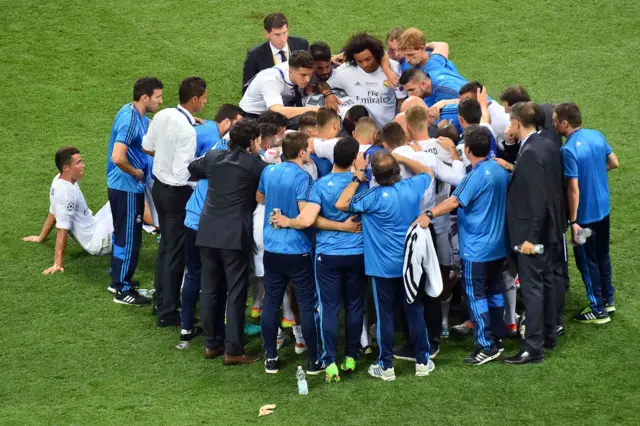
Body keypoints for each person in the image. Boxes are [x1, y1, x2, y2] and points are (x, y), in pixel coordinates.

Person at [258, 132, 355, 375]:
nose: (310, 154)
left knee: (270, 302)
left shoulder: (268, 171)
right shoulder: (302, 177)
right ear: (301, 153)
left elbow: (259, 197)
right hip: (297, 251)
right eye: (308, 150)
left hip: (271, 247)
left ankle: (271, 357)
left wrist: (277, 206)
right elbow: (304, 219)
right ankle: (314, 361)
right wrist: (288, 220)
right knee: (306, 304)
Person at [335, 150, 436, 381]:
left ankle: (387, 366)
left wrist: (358, 175)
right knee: (415, 312)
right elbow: (428, 172)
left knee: (385, 317)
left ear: (375, 175)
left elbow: (341, 203)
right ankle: (422, 361)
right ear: (397, 171)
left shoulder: (371, 197)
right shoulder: (411, 188)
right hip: (410, 266)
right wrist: (401, 158)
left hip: (382, 269)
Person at [415, 125, 510, 364]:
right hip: (498, 245)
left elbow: (454, 201)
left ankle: (486, 346)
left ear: (467, 150)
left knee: (476, 296)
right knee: (495, 291)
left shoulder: (475, 176)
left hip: (477, 248)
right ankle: (497, 335)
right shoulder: (500, 170)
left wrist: (429, 213)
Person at [186, 119, 266, 365]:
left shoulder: (213, 157)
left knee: (209, 289)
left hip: (208, 231)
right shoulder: (255, 164)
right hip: (234, 235)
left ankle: (212, 345)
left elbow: (192, 168)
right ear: (252, 142)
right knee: (236, 291)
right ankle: (233, 350)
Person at [503, 102, 565, 364]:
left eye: (510, 121)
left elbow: (537, 200)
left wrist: (529, 238)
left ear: (517, 123)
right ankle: (549, 334)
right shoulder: (547, 142)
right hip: (551, 229)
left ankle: (534, 347)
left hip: (533, 235)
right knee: (547, 281)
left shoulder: (530, 153)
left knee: (533, 287)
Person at [142, 77, 207, 326]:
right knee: (175, 251)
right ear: (194, 100)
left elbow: (147, 147)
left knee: (167, 247)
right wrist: (204, 171)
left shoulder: (164, 115)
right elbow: (182, 174)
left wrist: (166, 155)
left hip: (159, 188)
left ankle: (162, 300)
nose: (205, 101)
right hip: (176, 194)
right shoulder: (187, 131)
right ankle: (168, 311)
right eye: (203, 97)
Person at [554, 103, 619, 323]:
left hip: (584, 218)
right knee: (602, 254)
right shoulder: (597, 136)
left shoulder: (569, 150)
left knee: (586, 259)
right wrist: (596, 173)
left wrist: (573, 222)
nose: (553, 123)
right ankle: (608, 300)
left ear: (565, 123)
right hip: (603, 210)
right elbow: (614, 163)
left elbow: (573, 189)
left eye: (555, 120)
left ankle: (597, 308)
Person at [105, 77, 163, 304]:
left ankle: (118, 278)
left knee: (123, 235)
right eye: (157, 97)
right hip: (126, 187)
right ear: (145, 97)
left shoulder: (133, 113)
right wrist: (136, 172)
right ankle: (123, 289)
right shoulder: (130, 121)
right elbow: (117, 157)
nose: (160, 101)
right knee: (129, 238)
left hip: (123, 186)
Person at [24, 147, 113, 274]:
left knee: (123, 198)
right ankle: (153, 226)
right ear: (66, 168)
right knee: (135, 203)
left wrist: (41, 237)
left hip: (96, 225)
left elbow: (54, 212)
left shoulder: (60, 180)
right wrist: (57, 263)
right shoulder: (65, 193)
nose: (83, 165)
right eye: (78, 163)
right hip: (99, 242)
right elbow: (61, 229)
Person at [324, 33, 407, 128]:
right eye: (359, 61)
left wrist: (400, 126)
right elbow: (323, 84)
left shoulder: (393, 69)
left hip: (388, 130)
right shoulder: (345, 71)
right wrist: (328, 94)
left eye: (368, 59)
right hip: (362, 132)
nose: (365, 64)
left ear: (375, 54)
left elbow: (401, 100)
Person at [240, 50, 319, 120]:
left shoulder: (295, 66)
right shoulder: (271, 80)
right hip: (252, 116)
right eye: (303, 75)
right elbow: (277, 112)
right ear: (290, 72)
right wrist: (313, 109)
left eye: (310, 74)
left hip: (275, 110)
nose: (307, 79)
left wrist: (331, 58)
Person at [397, 28, 465, 107]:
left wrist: (426, 45)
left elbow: (443, 45)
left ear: (423, 48)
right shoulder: (410, 65)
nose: (407, 60)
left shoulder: (434, 64)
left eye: (411, 55)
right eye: (404, 55)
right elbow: (442, 45)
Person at [242, 12, 309, 92]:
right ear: (267, 34)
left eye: (284, 33)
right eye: (277, 35)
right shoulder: (254, 56)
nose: (282, 39)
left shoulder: (302, 44)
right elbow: (247, 89)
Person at [399, 68, 465, 109]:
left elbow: (472, 100)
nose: (410, 95)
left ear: (423, 84)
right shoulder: (429, 82)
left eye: (412, 90)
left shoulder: (443, 89)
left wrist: (444, 102)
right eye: (407, 91)